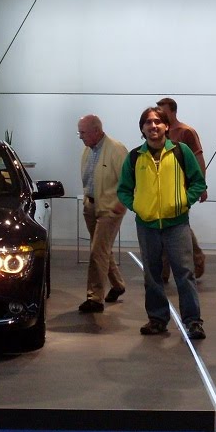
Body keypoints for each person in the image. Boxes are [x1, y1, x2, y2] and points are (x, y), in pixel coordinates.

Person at [118, 107, 207, 339]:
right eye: (148, 122)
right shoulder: (135, 157)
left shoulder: (181, 151)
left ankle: (193, 322)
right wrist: (138, 206)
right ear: (142, 128)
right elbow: (123, 189)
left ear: (166, 126)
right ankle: (157, 319)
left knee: (184, 274)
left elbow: (198, 182)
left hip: (177, 224)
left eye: (158, 121)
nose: (153, 126)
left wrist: (183, 201)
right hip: (147, 225)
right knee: (152, 275)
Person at [77, 114, 128, 313]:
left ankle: (95, 298)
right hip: (91, 206)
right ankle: (118, 285)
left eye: (83, 132)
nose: (80, 136)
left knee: (98, 251)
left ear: (96, 131)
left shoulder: (116, 150)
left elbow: (128, 179)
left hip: (110, 208)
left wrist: (121, 203)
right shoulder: (87, 151)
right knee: (101, 249)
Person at [156, 97, 207, 279]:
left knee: (178, 226)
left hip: (181, 188)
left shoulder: (186, 132)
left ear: (173, 112)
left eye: (164, 112)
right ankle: (163, 270)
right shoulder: (159, 132)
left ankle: (196, 259)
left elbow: (198, 158)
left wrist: (201, 186)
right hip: (160, 188)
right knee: (163, 226)